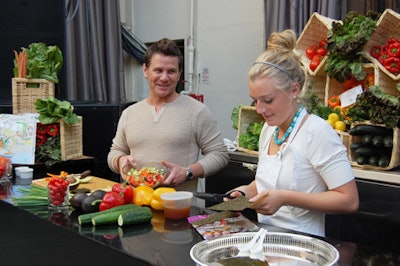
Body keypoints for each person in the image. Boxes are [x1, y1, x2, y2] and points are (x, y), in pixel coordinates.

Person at [228, 29, 359, 236]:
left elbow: (349, 200)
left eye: (268, 100)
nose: (260, 110)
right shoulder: (268, 130)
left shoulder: (316, 132)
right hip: (269, 243)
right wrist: (245, 191)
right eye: (255, 101)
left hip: (304, 249)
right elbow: (266, 184)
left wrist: (285, 198)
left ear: (294, 90)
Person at [107, 38, 229, 192]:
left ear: (179, 74)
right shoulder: (129, 113)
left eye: (171, 71)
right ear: (145, 70)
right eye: (158, 70)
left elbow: (220, 154)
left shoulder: (197, 111)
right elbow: (115, 152)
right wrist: (120, 161)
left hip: (179, 207)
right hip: (136, 205)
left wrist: (187, 172)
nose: (164, 78)